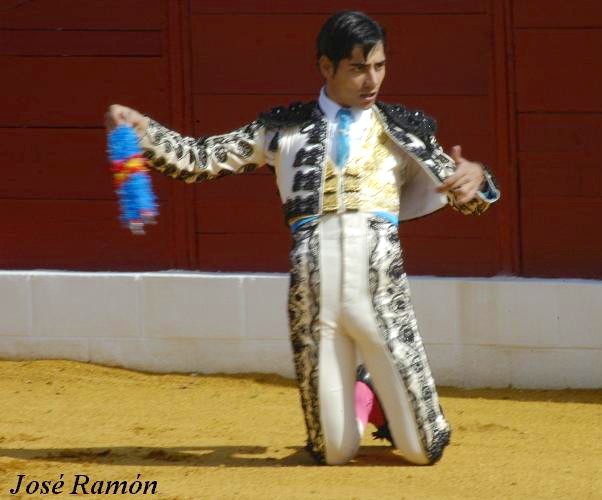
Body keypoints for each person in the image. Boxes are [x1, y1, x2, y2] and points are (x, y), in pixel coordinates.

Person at [105, 10, 500, 465]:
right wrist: (142, 130)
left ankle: (371, 391)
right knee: (333, 451)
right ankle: (360, 394)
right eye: (357, 68)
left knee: (422, 449)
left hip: (382, 295)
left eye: (379, 66)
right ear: (326, 67)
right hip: (313, 302)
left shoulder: (404, 130)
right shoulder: (281, 129)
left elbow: (469, 197)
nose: (371, 80)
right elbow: (199, 160)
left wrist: (476, 175)